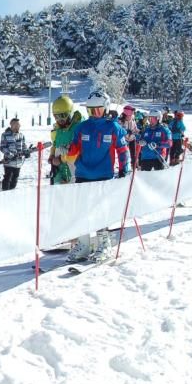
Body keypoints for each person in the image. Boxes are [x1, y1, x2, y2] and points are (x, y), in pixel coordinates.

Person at [66, 89, 130, 262]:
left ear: (106, 108)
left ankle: (104, 244)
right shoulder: (82, 127)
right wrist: (67, 151)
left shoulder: (113, 127)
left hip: (103, 175)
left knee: (101, 211)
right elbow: (73, 149)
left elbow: (123, 151)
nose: (94, 113)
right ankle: (84, 245)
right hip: (83, 174)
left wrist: (125, 169)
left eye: (98, 109)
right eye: (91, 110)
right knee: (81, 211)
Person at [49, 95, 81, 185]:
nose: (59, 120)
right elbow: (55, 145)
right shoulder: (58, 129)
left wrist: (61, 158)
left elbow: (80, 151)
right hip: (59, 174)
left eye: (63, 115)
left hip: (73, 175)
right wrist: (52, 155)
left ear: (70, 113)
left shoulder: (78, 128)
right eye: (56, 116)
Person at [0, 118, 27, 190]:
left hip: (18, 163)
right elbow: (2, 147)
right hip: (9, 162)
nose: (18, 126)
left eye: (19, 125)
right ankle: (4, 193)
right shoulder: (5, 135)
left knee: (14, 181)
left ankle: (11, 194)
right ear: (12, 125)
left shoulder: (21, 135)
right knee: (8, 178)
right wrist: (10, 154)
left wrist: (26, 152)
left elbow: (24, 146)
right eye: (16, 125)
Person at [117, 105, 139, 169]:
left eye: (132, 113)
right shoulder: (121, 120)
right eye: (131, 113)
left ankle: (135, 166)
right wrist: (126, 131)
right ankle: (123, 167)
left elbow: (135, 128)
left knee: (133, 154)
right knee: (124, 154)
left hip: (132, 139)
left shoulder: (133, 119)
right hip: (124, 140)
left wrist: (138, 131)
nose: (131, 115)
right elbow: (119, 130)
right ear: (127, 113)